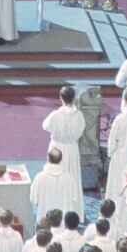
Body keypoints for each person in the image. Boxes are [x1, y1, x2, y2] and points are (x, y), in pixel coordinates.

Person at [41, 84, 85, 218]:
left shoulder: (55, 115)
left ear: (60, 98)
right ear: (74, 99)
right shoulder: (79, 115)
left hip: (57, 147)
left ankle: (53, 208)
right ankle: (72, 211)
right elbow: (81, 130)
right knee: (72, 178)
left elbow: (45, 126)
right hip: (72, 148)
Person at [30, 147, 73, 221]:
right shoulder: (69, 178)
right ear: (61, 160)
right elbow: (73, 197)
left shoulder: (40, 177)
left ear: (47, 159)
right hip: (63, 223)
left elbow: (33, 199)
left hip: (44, 222)